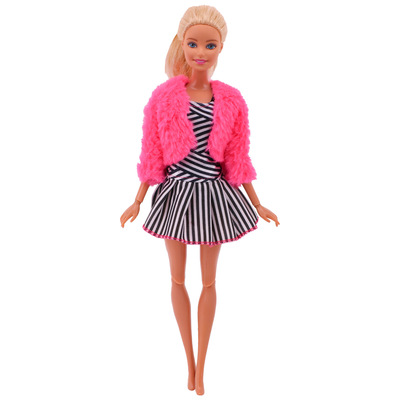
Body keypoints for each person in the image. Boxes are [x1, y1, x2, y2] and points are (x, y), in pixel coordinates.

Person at [120, 5, 280, 395]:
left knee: (209, 282)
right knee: (177, 278)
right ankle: (188, 363)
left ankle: (201, 368)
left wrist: (257, 202)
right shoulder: (163, 98)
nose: (201, 52)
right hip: (175, 193)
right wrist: (137, 199)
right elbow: (152, 152)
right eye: (193, 43)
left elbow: (238, 156)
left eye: (210, 45)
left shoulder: (231, 100)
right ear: (182, 43)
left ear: (221, 47)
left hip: (214, 195)